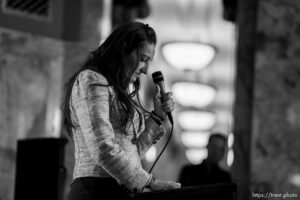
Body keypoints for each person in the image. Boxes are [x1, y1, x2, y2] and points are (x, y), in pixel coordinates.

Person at [62, 21, 181, 200]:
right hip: (94, 190)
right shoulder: (91, 80)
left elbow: (129, 154)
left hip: (117, 190)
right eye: (143, 59)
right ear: (123, 49)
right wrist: (148, 181)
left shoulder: (119, 89)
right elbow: (102, 149)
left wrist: (156, 116)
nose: (146, 69)